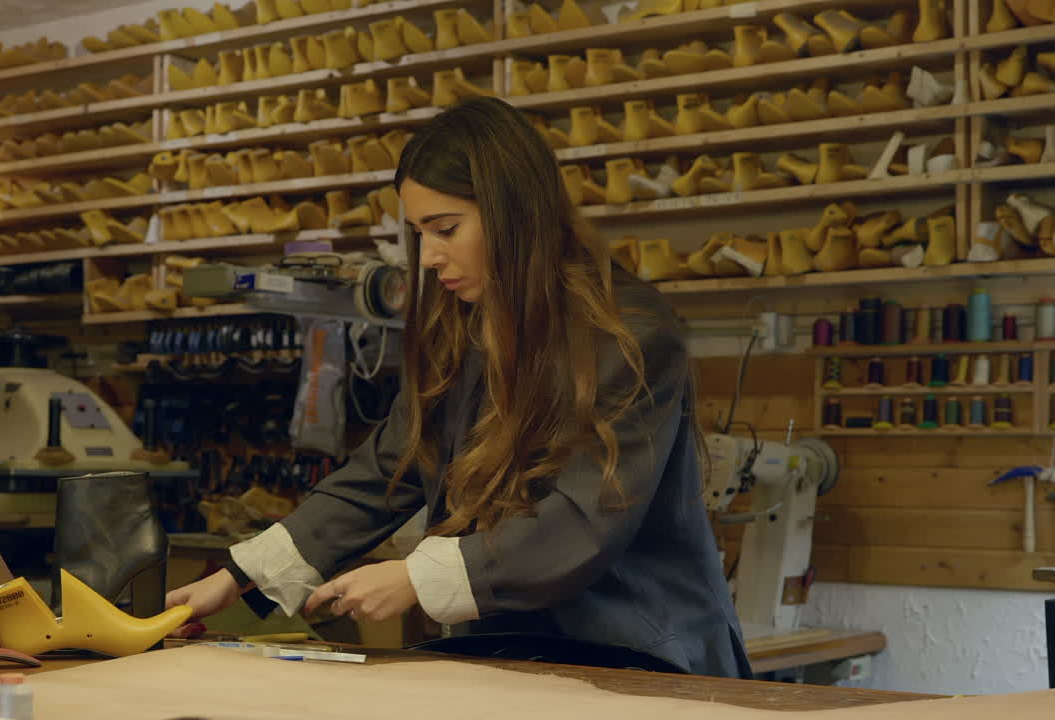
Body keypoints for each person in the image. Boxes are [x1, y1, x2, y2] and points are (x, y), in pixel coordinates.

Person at [166, 96, 751, 679]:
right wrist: (237, 576)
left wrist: (417, 578)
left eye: (445, 229)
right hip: (519, 649)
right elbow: (386, 469)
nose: (429, 258)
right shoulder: (467, 328)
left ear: (515, 212)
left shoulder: (630, 338)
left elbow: (583, 521)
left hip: (642, 650)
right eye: (420, 234)